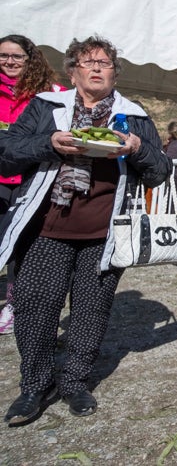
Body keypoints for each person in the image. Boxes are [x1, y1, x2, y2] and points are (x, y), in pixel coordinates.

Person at [0, 35, 171, 426]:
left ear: (115, 72)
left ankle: (75, 382)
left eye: (105, 63)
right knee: (35, 312)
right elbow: (7, 150)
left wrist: (135, 149)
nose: (96, 68)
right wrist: (51, 143)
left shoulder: (135, 116)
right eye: (87, 62)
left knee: (91, 314)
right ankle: (35, 386)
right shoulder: (47, 108)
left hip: (105, 235)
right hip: (45, 229)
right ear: (72, 70)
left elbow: (160, 171)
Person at [0, 34, 64, 336]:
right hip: (1, 176)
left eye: (16, 57)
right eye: (3, 56)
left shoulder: (49, 94)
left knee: (21, 245)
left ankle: (13, 304)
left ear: (30, 60)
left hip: (32, 180)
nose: (9, 62)